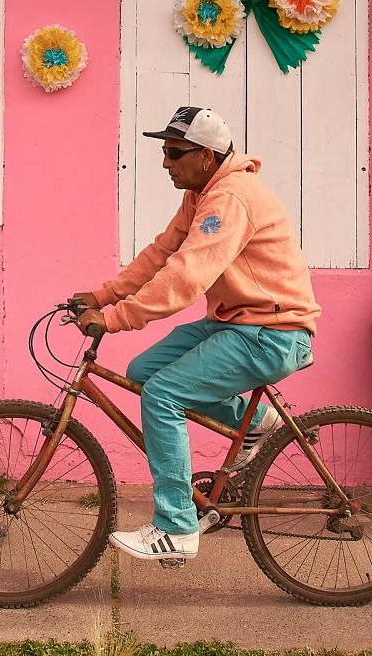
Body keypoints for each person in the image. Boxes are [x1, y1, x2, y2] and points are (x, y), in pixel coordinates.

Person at [73, 106, 319, 564]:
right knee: (142, 371)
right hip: (240, 322)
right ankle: (252, 423)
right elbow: (163, 253)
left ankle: (177, 527)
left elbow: (187, 277)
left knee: (161, 395)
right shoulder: (201, 192)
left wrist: (115, 318)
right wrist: (101, 295)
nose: (166, 162)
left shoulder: (230, 199)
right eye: (163, 152)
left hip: (272, 332)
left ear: (206, 155)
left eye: (174, 153)